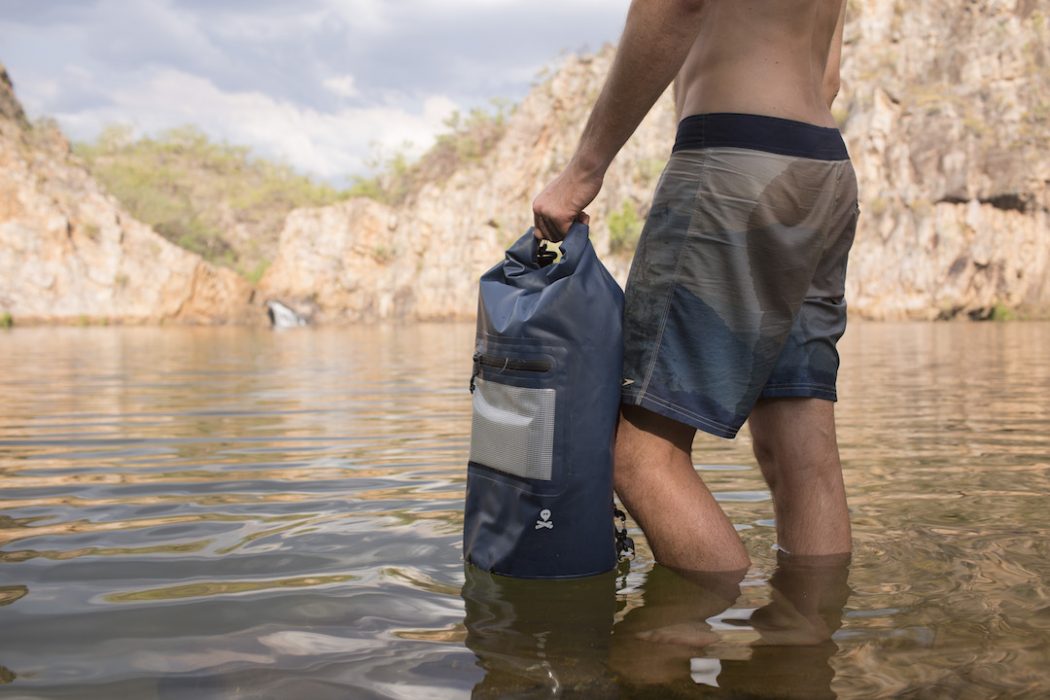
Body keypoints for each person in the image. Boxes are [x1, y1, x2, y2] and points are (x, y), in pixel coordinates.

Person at [533, 0, 857, 572]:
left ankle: (700, 613)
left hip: (734, 159)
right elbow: (828, 76)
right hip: (821, 167)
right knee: (799, 449)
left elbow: (678, 4)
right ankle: (807, 623)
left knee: (639, 455)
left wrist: (584, 170)